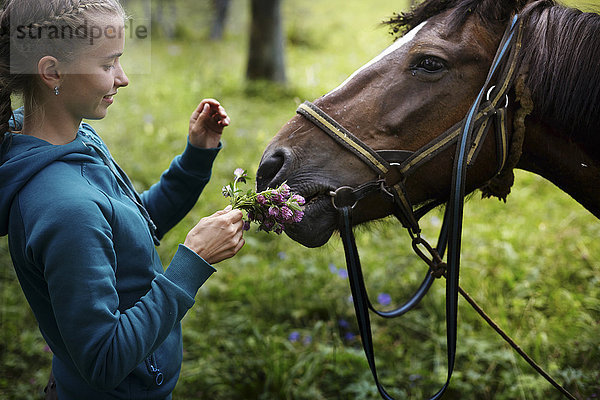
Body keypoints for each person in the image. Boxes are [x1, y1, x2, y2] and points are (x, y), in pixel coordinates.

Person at [0, 0, 245, 399]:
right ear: (52, 71)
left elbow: (129, 227)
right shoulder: (66, 209)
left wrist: (195, 158)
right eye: (108, 64)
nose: (124, 78)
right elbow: (104, 359)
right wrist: (192, 263)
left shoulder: (69, 142)